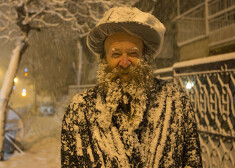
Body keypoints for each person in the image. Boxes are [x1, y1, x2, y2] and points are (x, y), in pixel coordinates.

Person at [61, 7, 202, 168]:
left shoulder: (175, 102)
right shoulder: (80, 110)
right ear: (104, 59)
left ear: (145, 57)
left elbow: (193, 162)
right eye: (116, 54)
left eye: (133, 53)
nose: (125, 62)